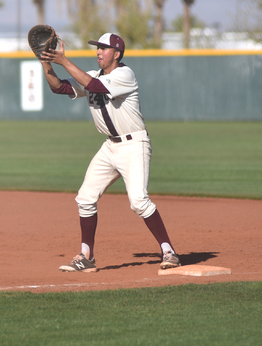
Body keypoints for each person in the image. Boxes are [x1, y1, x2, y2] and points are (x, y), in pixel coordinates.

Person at [40, 32, 180, 272]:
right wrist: (46, 63)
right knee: (85, 198)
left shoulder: (125, 74)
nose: (98, 52)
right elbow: (60, 88)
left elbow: (95, 87)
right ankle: (86, 257)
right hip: (110, 146)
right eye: (97, 48)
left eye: (103, 48)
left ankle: (169, 252)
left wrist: (63, 61)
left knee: (138, 201)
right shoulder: (92, 75)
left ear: (116, 54)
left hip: (134, 144)